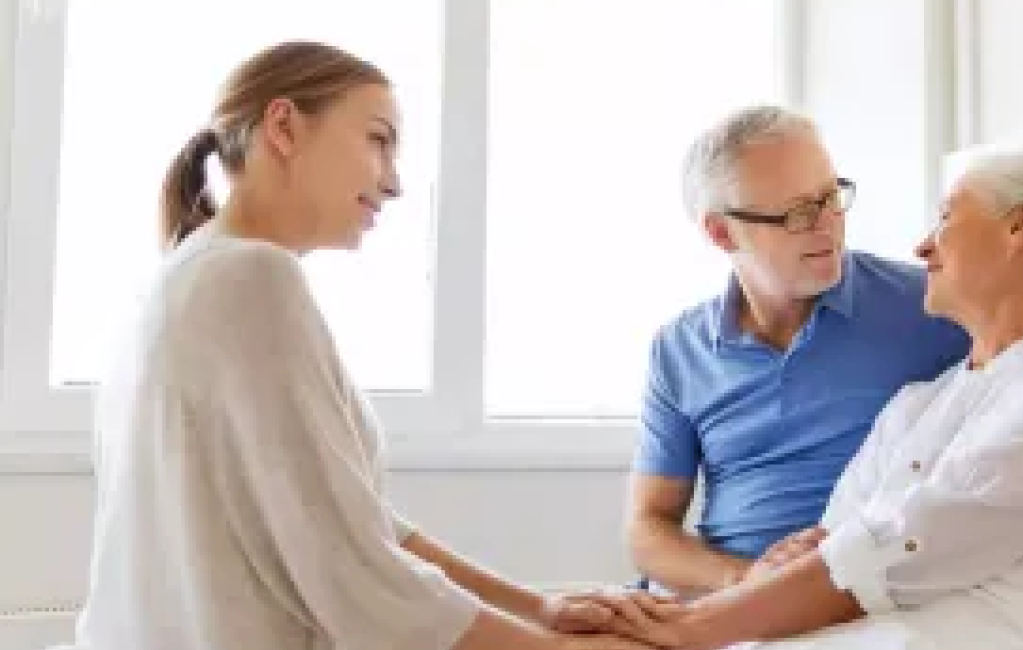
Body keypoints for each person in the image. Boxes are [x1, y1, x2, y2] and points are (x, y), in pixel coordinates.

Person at [66, 41, 650, 650]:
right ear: (284, 127)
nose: (394, 181)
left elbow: (347, 518)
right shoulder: (251, 278)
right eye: (378, 139)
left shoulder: (181, 275)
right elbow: (343, 558)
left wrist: (539, 608)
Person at [627, 106, 1023, 598]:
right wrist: (742, 582)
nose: (828, 227)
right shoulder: (679, 350)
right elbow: (649, 528)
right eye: (800, 213)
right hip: (720, 597)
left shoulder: (928, 303)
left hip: (835, 594)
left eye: (832, 198)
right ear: (723, 234)